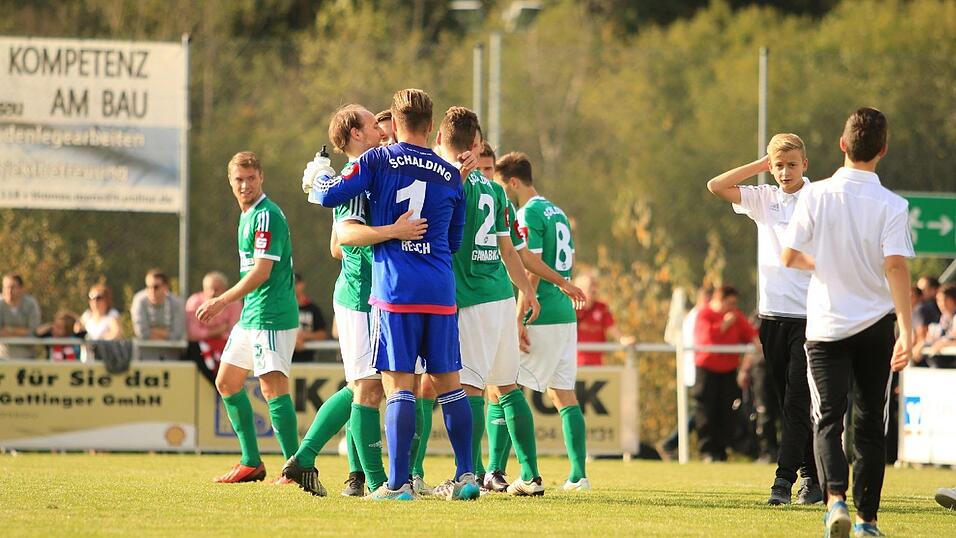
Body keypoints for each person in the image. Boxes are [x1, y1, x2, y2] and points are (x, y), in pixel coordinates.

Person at [306, 89, 480, 501]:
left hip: (397, 291)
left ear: (396, 124)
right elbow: (454, 240)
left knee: (399, 384)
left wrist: (317, 179)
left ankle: (398, 484)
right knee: (450, 384)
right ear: (431, 125)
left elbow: (330, 196)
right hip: (439, 289)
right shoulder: (449, 173)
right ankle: (467, 476)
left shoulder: (378, 159)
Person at [782, 107, 914, 538]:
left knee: (828, 420)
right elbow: (896, 267)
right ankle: (867, 522)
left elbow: (789, 256)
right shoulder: (893, 204)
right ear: (884, 151)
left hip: (824, 328)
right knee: (871, 424)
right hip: (877, 326)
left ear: (842, 145)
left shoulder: (816, 194)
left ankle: (835, 499)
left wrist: (821, 263)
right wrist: (908, 330)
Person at [283, 103, 426, 497]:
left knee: (366, 386)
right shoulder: (354, 175)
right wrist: (393, 231)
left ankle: (307, 459)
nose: (383, 131)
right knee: (368, 388)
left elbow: (336, 245)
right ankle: (379, 483)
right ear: (357, 134)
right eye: (371, 123)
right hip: (360, 297)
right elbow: (344, 237)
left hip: (373, 294)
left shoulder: (368, 173)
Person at [706, 133, 821, 505]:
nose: (785, 172)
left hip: (809, 315)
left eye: (791, 164)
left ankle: (783, 482)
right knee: (787, 399)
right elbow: (716, 185)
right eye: (778, 165)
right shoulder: (763, 197)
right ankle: (812, 476)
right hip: (771, 316)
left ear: (805, 164)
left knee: (796, 402)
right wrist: (761, 164)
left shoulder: (818, 198)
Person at [196, 151, 300, 485]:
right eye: (239, 180)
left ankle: (294, 468)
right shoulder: (248, 215)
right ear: (230, 181)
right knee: (226, 381)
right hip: (252, 315)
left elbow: (262, 272)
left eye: (251, 179)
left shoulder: (267, 215)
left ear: (261, 178)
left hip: (271, 315)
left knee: (272, 389)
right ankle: (251, 462)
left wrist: (221, 300)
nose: (245, 186)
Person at [494, 151, 591, 492]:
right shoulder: (557, 211)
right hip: (564, 313)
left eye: (502, 185)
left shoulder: (528, 213)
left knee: (503, 387)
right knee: (564, 394)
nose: (501, 192)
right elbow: (568, 259)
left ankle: (503, 471)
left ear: (514, 182)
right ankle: (579, 476)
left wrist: (520, 315)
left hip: (542, 312)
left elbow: (529, 267)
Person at [692, 285, 757, 462]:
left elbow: (751, 335)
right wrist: (725, 324)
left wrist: (754, 348)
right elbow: (708, 340)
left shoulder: (737, 316)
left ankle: (721, 451)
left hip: (728, 370)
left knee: (726, 411)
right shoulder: (704, 314)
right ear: (718, 300)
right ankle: (707, 451)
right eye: (730, 303)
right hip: (707, 370)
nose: (733, 307)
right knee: (706, 411)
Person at [185, 271, 241, 380]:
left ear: (225, 290)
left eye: (216, 289)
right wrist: (218, 331)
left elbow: (234, 332)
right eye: (208, 289)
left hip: (226, 348)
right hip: (201, 351)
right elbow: (193, 334)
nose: (211, 293)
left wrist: (209, 333)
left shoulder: (235, 304)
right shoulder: (194, 302)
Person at [574, 271, 635, 366]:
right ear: (579, 288)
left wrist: (623, 339)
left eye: (595, 285)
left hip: (596, 364)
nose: (594, 290)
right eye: (590, 286)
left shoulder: (601, 308)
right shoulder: (572, 308)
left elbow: (613, 329)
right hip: (575, 364)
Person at [130, 268, 186, 360]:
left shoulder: (176, 303)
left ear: (165, 287)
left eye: (156, 287)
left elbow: (177, 334)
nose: (152, 291)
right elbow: (142, 332)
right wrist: (165, 333)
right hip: (144, 356)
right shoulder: (139, 300)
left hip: (171, 357)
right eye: (148, 287)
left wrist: (152, 330)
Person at [0, 273, 42, 358]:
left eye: (12, 287)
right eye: (6, 287)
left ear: (21, 289)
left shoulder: (31, 304)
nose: (9, 291)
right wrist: (22, 332)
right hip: (3, 359)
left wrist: (8, 329)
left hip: (27, 358)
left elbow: (33, 331)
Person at [914, 284, 956, 367]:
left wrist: (944, 343)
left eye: (945, 300)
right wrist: (923, 344)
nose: (941, 304)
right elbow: (935, 338)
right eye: (938, 300)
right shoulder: (944, 318)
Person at [291, 273, 328, 363]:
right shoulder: (282, 308)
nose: (294, 287)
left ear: (302, 284)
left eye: (296, 283)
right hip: (285, 359)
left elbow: (323, 334)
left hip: (308, 359)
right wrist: (293, 338)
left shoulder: (313, 309)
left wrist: (305, 336)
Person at [912, 276, 941, 364]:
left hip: (924, 357)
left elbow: (921, 336)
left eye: (922, 290)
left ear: (934, 290)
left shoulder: (921, 308)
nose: (918, 292)